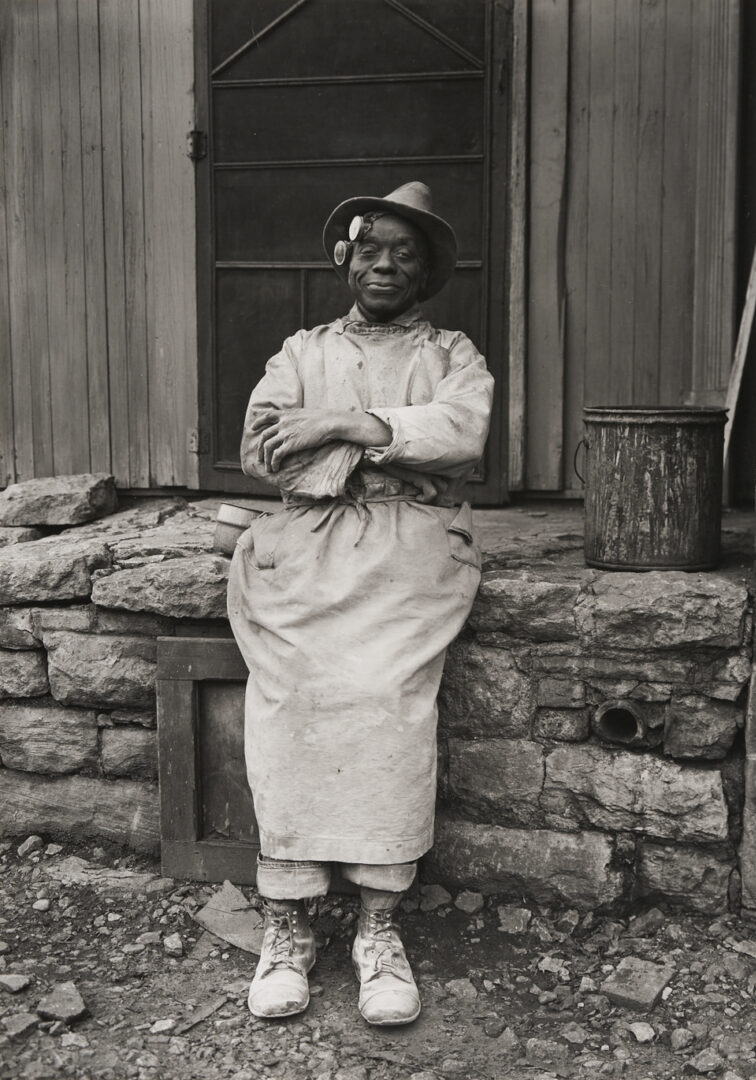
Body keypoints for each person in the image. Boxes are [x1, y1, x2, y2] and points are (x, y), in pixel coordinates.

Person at [227, 181, 494, 1026]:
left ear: (425, 273)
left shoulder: (452, 353)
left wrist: (339, 424)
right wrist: (370, 443)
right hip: (305, 549)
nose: (385, 264)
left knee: (389, 705)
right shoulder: (299, 350)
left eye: (404, 254)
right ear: (346, 258)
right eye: (371, 248)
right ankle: (288, 922)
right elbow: (261, 447)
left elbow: (460, 434)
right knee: (289, 705)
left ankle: (379, 930)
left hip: (408, 551)